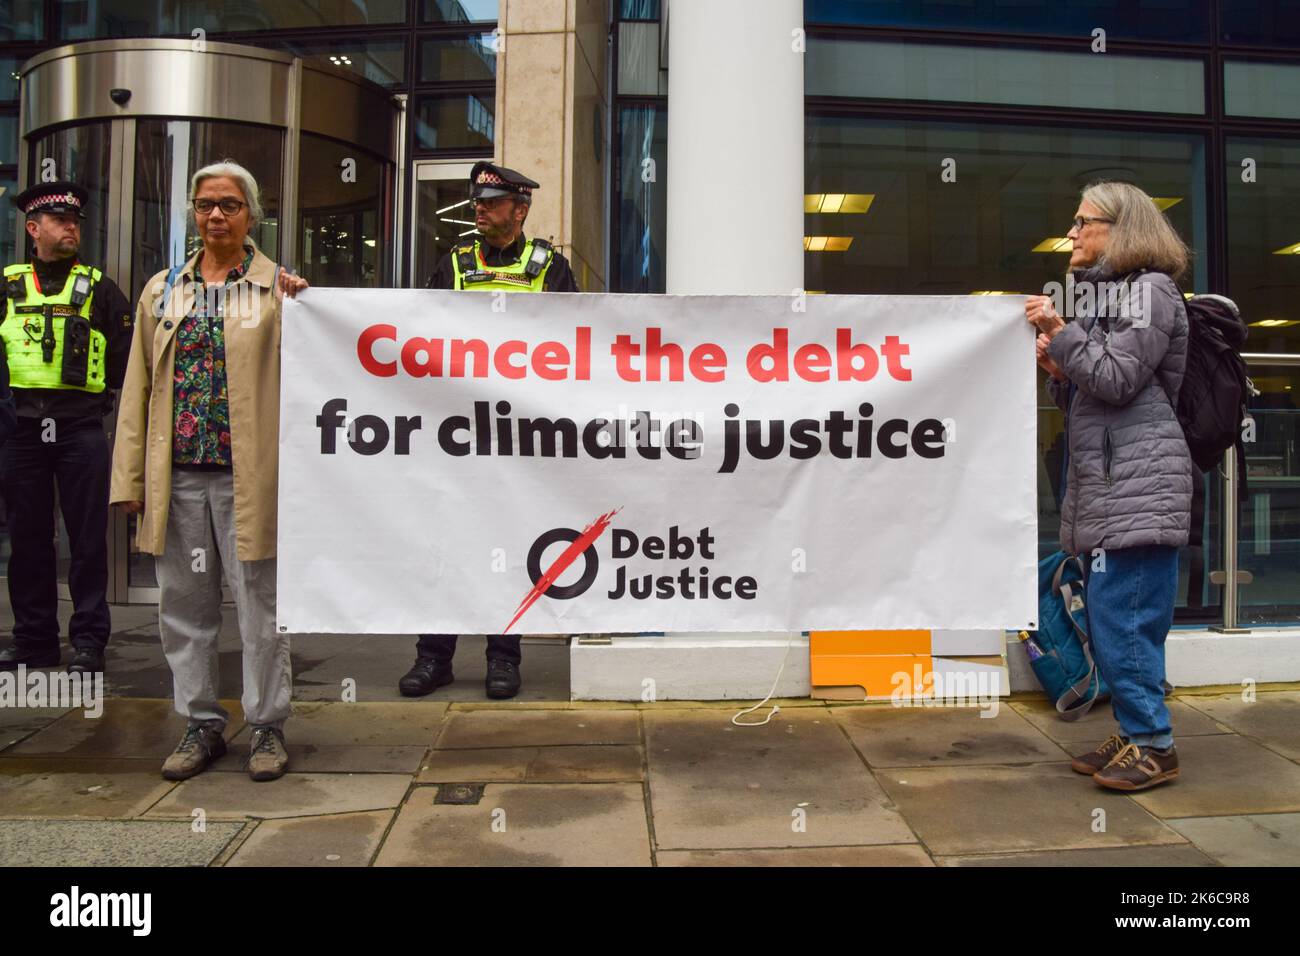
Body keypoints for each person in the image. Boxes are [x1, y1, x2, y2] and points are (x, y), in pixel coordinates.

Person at [110, 160, 308, 782]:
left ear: (252, 214)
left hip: (251, 479)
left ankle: (268, 726)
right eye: (204, 205)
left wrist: (303, 307)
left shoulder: (279, 290)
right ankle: (201, 725)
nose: (215, 215)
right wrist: (130, 480)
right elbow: (136, 386)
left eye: (228, 204)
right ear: (192, 214)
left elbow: (309, 381)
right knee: (184, 608)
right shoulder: (162, 289)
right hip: (180, 479)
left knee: (261, 608)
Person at [1027, 180, 1193, 792]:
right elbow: (1090, 389)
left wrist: (1059, 329)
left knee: (1124, 619)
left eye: (1083, 221)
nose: (1072, 232)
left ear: (1121, 230)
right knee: (1107, 617)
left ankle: (1157, 746)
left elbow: (1120, 378)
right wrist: (1057, 366)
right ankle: (1133, 732)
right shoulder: (1111, 295)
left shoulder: (1150, 292)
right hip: (1114, 483)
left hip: (1140, 486)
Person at [401, 161, 579, 700]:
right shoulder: (454, 260)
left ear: (520, 209)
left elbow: (574, 342)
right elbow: (422, 331)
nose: (479, 209)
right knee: (448, 539)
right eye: (476, 201)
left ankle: (504, 657)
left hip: (519, 433)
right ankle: (434, 658)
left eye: (491, 202)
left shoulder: (550, 264)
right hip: (457, 428)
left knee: (508, 539)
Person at [0, 182, 134, 674]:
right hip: (22, 431)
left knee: (86, 540)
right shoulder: (7, 283)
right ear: (34, 229)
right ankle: (33, 640)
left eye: (75, 220)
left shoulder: (98, 287)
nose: (71, 227)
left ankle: (89, 642)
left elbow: (127, 361)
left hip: (79, 429)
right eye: (60, 221)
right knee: (28, 540)